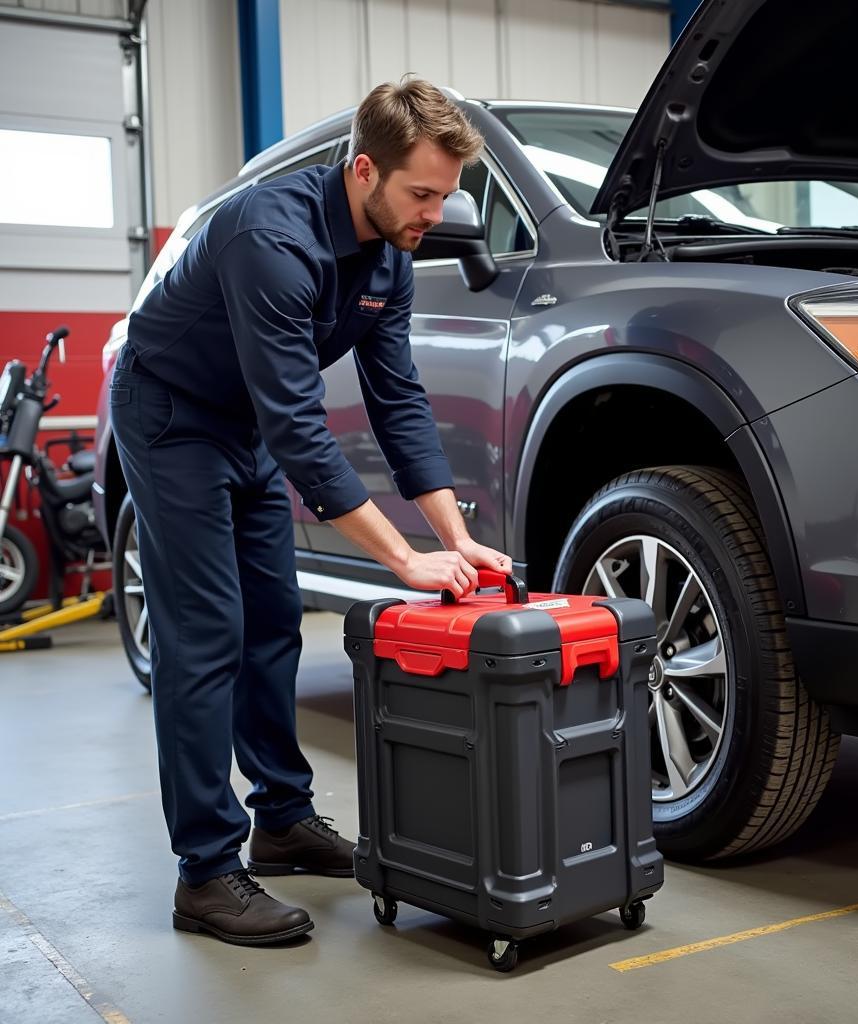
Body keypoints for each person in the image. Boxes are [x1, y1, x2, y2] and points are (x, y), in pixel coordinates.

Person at [109, 77, 510, 946]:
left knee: (275, 622)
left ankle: (282, 819)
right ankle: (207, 874)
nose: (435, 213)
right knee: (207, 630)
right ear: (365, 169)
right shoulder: (271, 236)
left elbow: (397, 397)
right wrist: (401, 563)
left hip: (244, 422)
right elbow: (299, 423)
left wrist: (455, 537)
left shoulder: (392, 258)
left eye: (446, 196)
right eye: (421, 193)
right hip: (171, 412)